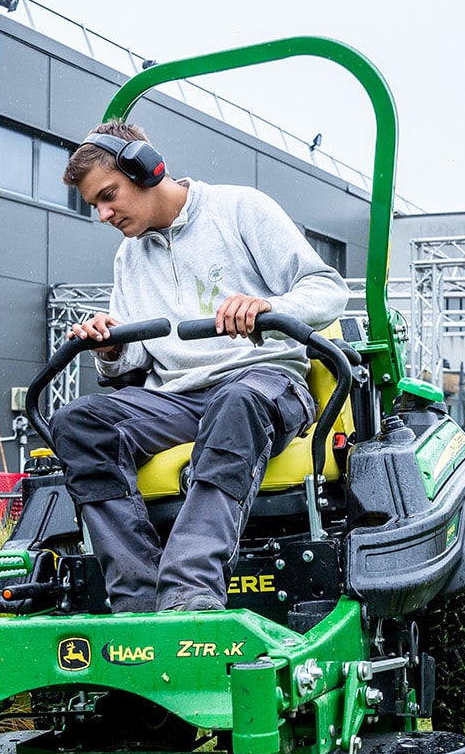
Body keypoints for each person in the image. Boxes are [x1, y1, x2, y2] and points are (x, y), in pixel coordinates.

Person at [50, 121, 348, 612]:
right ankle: (138, 600)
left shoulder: (239, 210)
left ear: (146, 168)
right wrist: (108, 346)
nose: (103, 214)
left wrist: (266, 308)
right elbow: (137, 354)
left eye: (108, 196)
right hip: (177, 398)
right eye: (95, 206)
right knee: (76, 423)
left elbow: (328, 289)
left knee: (235, 402)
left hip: (263, 380)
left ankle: (188, 592)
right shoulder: (130, 256)